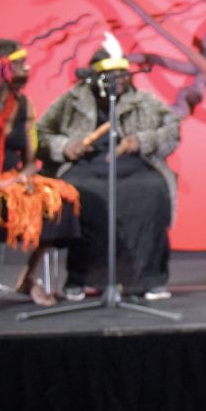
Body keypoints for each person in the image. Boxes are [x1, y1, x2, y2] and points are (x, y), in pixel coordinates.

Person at [37, 36, 179, 301]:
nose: (120, 79)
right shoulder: (71, 100)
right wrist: (65, 146)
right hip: (84, 165)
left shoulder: (144, 101)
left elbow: (172, 130)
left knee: (150, 192)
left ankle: (148, 279)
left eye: (124, 74)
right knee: (83, 196)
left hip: (134, 164)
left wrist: (141, 141)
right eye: (113, 74)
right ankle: (81, 277)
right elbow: (39, 134)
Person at [0, 39, 77, 313]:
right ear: (0, 68)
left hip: (11, 178)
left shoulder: (24, 105)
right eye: (18, 63)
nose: (25, 68)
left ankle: (28, 277)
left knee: (58, 198)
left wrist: (22, 178)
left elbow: (31, 159)